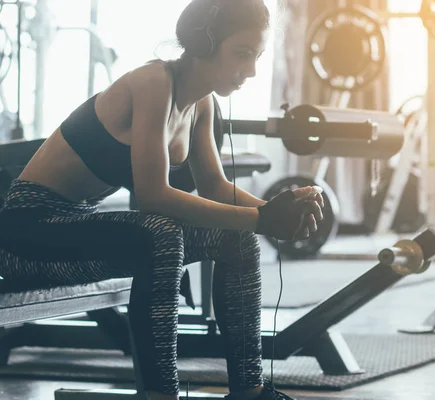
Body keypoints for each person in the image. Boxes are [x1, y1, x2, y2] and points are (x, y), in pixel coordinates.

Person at [0, 0, 325, 399]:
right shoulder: (153, 83)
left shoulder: (203, 103)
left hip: (78, 231)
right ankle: (159, 395)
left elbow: (216, 188)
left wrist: (277, 209)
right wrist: (262, 221)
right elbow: (154, 197)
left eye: (256, 57)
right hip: (27, 237)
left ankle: (249, 391)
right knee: (160, 230)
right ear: (204, 41)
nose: (252, 70)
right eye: (242, 54)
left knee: (234, 238)